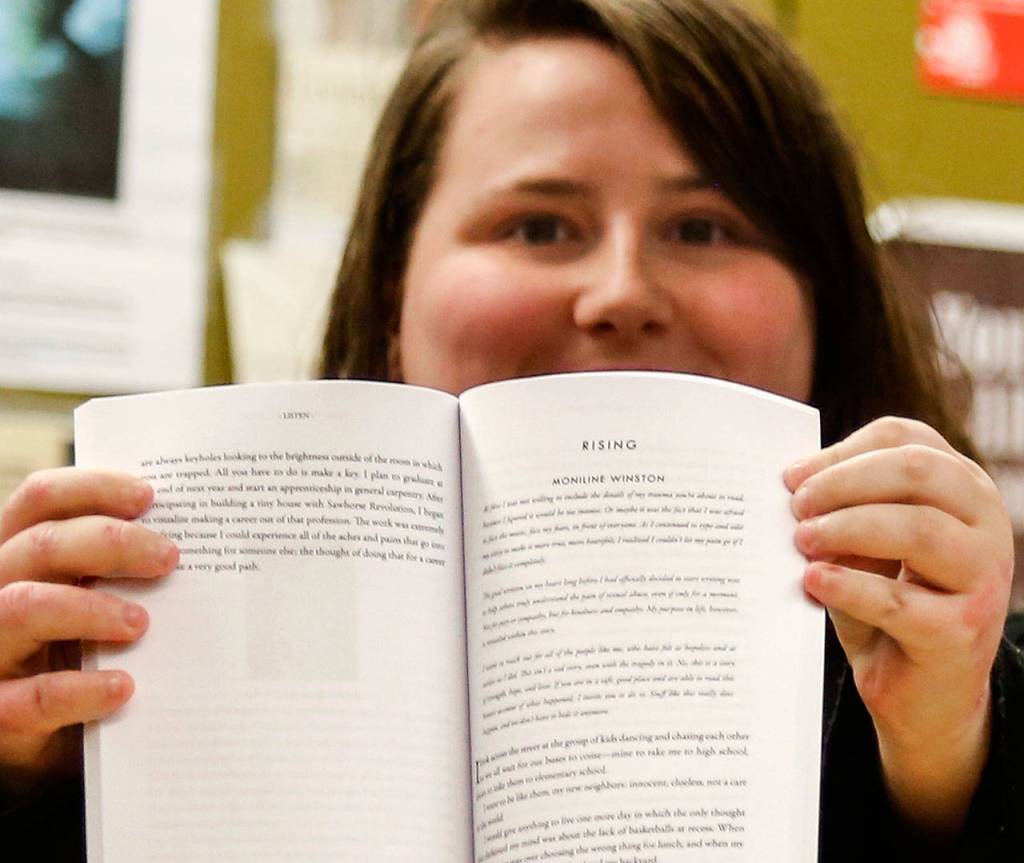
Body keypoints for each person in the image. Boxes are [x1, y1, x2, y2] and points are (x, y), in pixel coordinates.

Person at [1, 0, 1022, 858]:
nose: (620, 293)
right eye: (538, 226)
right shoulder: (128, 621)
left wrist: (945, 758)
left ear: (822, 302)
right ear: (395, 289)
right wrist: (29, 778)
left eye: (702, 228)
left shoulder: (959, 683)